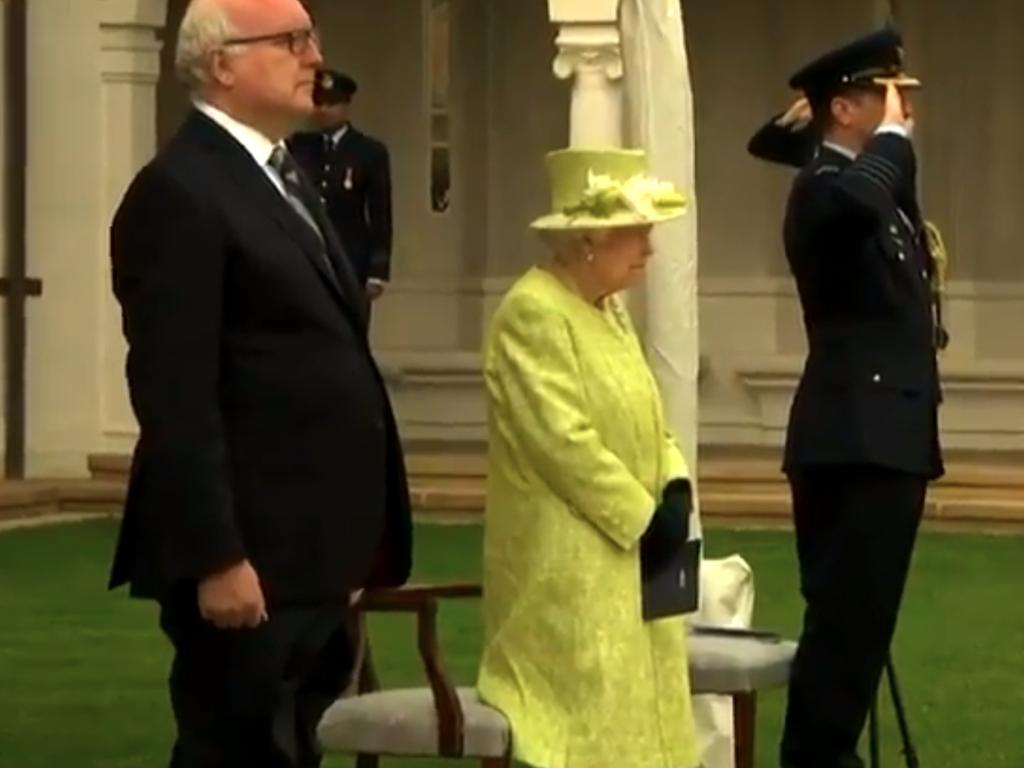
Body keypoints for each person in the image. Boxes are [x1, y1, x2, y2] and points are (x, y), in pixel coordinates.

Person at [105, 1, 412, 765]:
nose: (315, 57)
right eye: (290, 41)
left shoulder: (283, 175)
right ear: (221, 65)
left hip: (312, 553)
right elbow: (175, 394)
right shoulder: (181, 192)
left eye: (310, 37)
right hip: (248, 552)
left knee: (290, 742)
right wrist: (216, 556)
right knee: (235, 747)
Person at [476, 147, 700, 768]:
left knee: (647, 718)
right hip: (568, 567)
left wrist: (675, 489)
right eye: (635, 233)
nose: (649, 249)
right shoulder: (532, 312)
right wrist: (643, 516)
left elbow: (649, 417)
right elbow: (562, 441)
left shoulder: (608, 309)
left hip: (635, 561)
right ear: (587, 242)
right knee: (590, 727)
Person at [764, 28, 944, 768]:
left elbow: (890, 193)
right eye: (885, 96)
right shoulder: (824, 193)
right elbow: (864, 193)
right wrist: (888, 138)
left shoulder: (872, 195)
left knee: (860, 634)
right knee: (842, 637)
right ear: (846, 107)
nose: (902, 111)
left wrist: (884, 138)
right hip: (855, 439)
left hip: (887, 437)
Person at [289, 69, 393, 307]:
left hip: (351, 257)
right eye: (319, 103)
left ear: (346, 107)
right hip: (309, 255)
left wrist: (378, 269)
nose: (324, 110)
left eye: (331, 104)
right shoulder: (300, 146)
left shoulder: (368, 151)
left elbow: (380, 213)